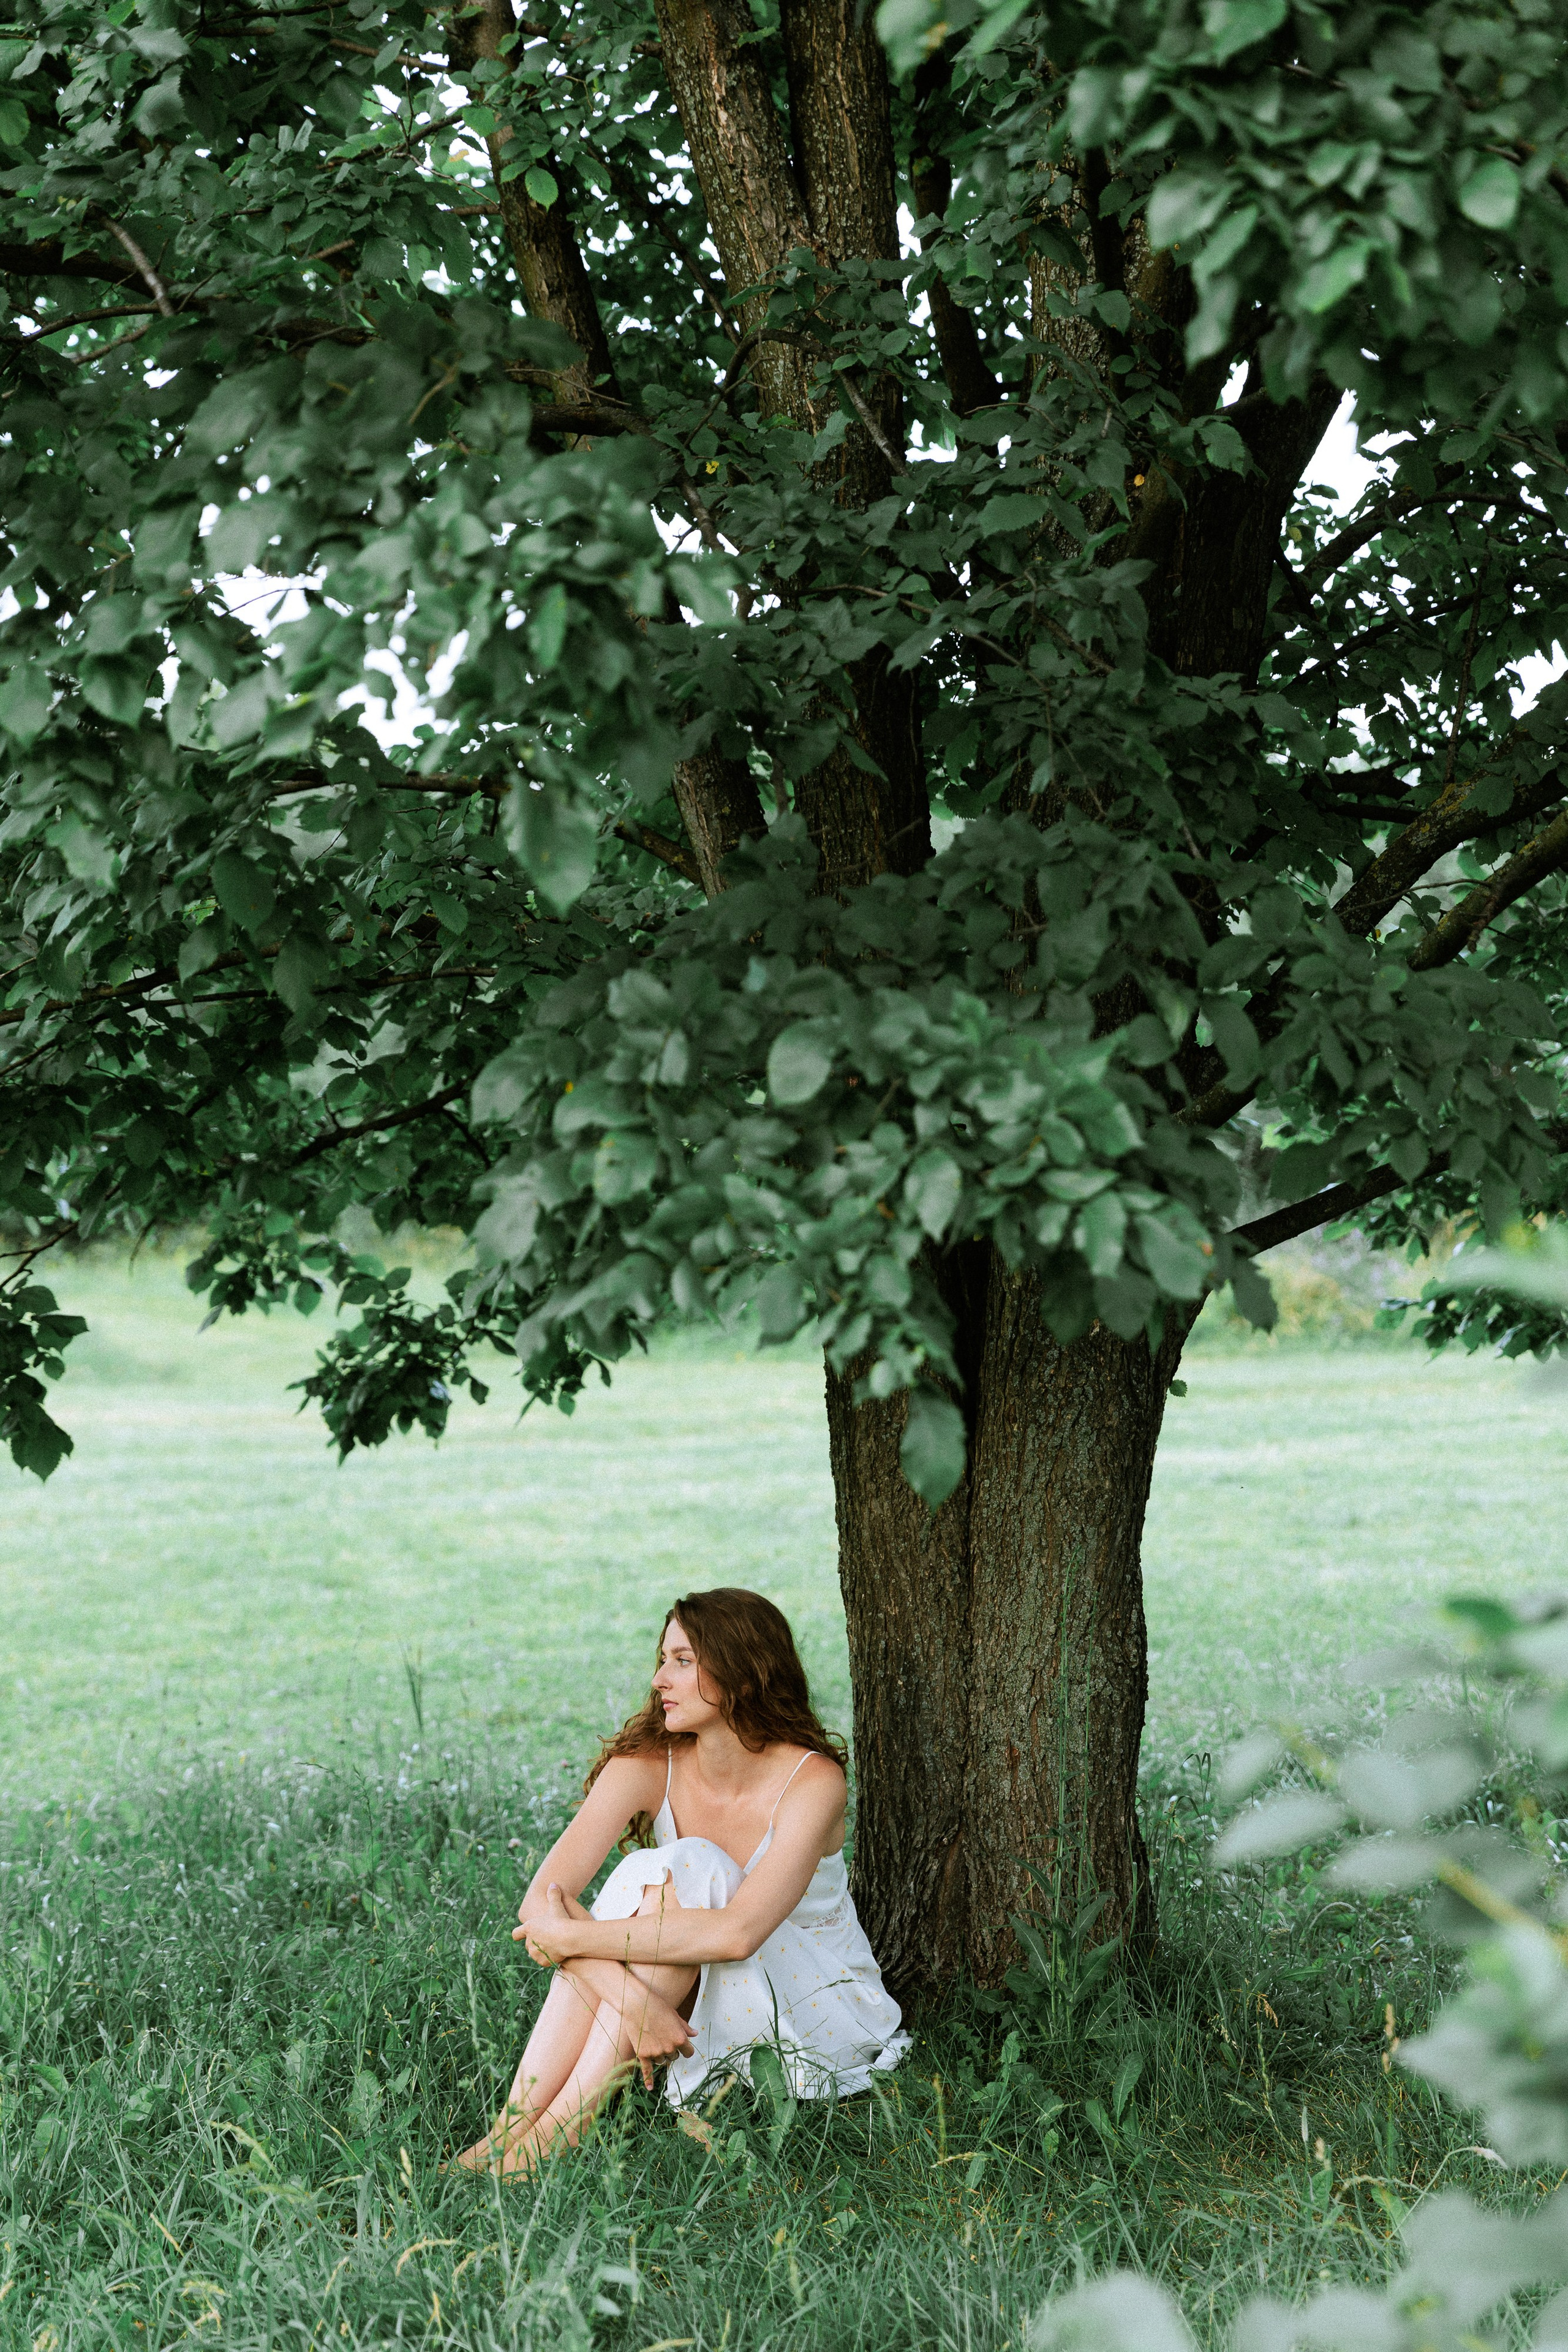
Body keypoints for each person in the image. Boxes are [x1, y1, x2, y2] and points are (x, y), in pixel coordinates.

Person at [452, 1587, 909, 2175]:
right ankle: (505, 2137)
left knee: (685, 1865)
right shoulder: (646, 1764)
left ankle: (554, 2140)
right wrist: (633, 2002)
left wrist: (574, 1941)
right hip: (691, 1995)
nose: (661, 1679)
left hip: (818, 2009)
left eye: (684, 1661)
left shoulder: (812, 1781)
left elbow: (738, 1934)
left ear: (746, 1672)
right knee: (659, 1874)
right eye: (663, 1659)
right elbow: (542, 1902)